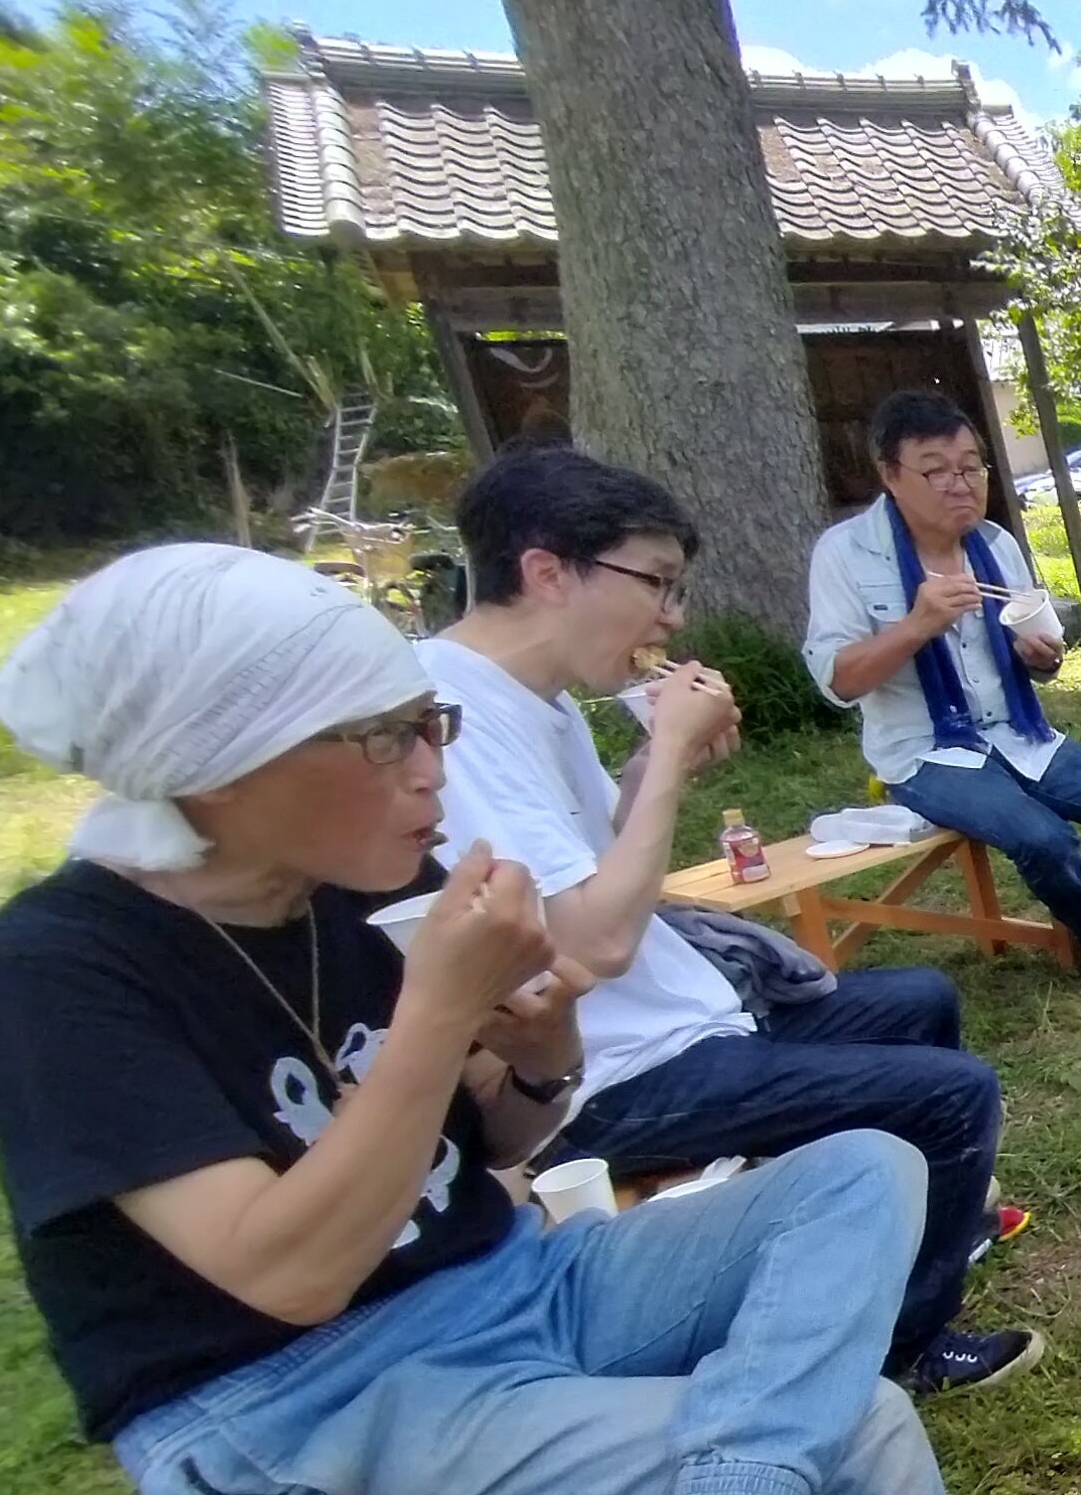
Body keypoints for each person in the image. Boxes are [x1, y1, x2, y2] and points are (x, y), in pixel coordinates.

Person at [0, 549, 1081, 1495]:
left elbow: (492, 1141)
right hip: (302, 1408)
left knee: (864, 1165)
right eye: (384, 738)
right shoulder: (64, 973)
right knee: (853, 1426)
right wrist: (440, 1009)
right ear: (218, 766)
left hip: (507, 1281)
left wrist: (538, 1050)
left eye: (429, 724)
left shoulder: (339, 895)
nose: (430, 769)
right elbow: (286, 1275)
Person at [420, 443, 1039, 1399]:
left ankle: (915, 1227)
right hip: (609, 1077)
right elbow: (593, 944)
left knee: (921, 999)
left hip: (679, 1019)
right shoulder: (457, 719)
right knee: (951, 1094)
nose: (671, 616)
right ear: (548, 571)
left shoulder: (542, 704)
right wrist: (666, 757)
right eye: (655, 583)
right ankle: (900, 1343)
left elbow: (600, 869)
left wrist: (644, 774)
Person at [804, 390, 1081, 987]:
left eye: (971, 467)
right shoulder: (846, 554)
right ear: (891, 475)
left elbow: (1040, 653)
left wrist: (1042, 658)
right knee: (1044, 839)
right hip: (922, 751)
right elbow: (838, 681)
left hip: (1017, 732)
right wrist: (916, 625)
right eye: (936, 470)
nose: (960, 485)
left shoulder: (996, 545)